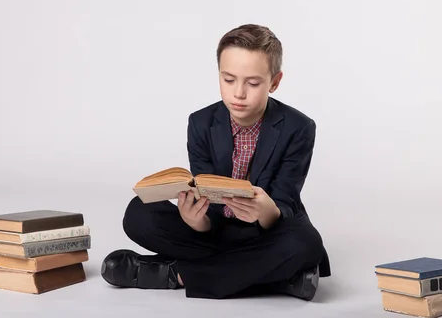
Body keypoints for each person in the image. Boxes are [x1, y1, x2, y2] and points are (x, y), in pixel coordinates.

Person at [101, 24, 331, 300]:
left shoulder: (299, 127)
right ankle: (276, 279)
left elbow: (287, 202)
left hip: (266, 234)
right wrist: (194, 220)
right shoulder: (200, 122)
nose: (239, 93)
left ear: (275, 82)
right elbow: (206, 195)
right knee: (139, 213)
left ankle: (177, 274)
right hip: (216, 232)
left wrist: (265, 210)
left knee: (305, 244)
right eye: (229, 79)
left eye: (253, 83)